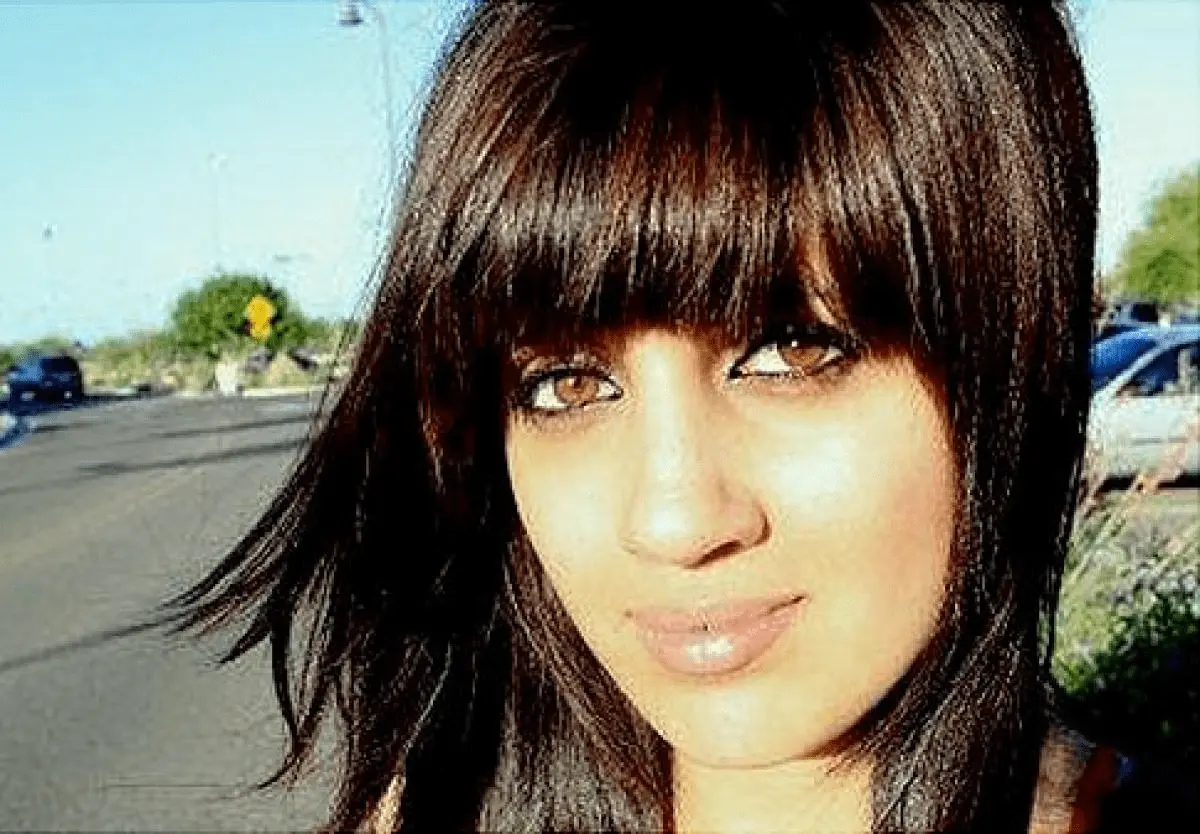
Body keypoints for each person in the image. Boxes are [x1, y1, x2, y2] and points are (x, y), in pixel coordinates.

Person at [160, 2, 1191, 831]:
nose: (673, 521)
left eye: (793, 350)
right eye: (567, 384)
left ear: (1004, 355)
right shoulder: (432, 807)